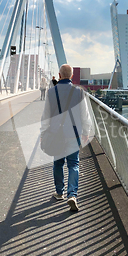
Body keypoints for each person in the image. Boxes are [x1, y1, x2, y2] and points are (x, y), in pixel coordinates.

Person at [40, 64, 92, 211]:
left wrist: (43, 133)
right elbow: (85, 115)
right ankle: (72, 194)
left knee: (58, 163)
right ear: (71, 76)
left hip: (56, 134)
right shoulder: (79, 92)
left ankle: (59, 192)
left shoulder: (51, 92)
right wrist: (86, 132)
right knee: (73, 165)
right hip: (73, 134)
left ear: (59, 75)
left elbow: (46, 116)